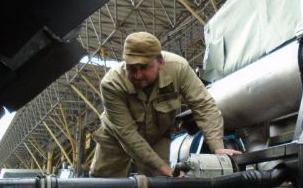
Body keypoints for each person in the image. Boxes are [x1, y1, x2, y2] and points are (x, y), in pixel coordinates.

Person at [90, 32, 240, 177]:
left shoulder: (179, 69)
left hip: (157, 136)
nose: (138, 75)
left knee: (160, 185)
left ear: (160, 62)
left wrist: (218, 148)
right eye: (132, 68)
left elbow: (204, 106)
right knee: (105, 184)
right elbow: (127, 134)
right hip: (115, 138)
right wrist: (164, 168)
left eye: (144, 67)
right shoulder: (111, 84)